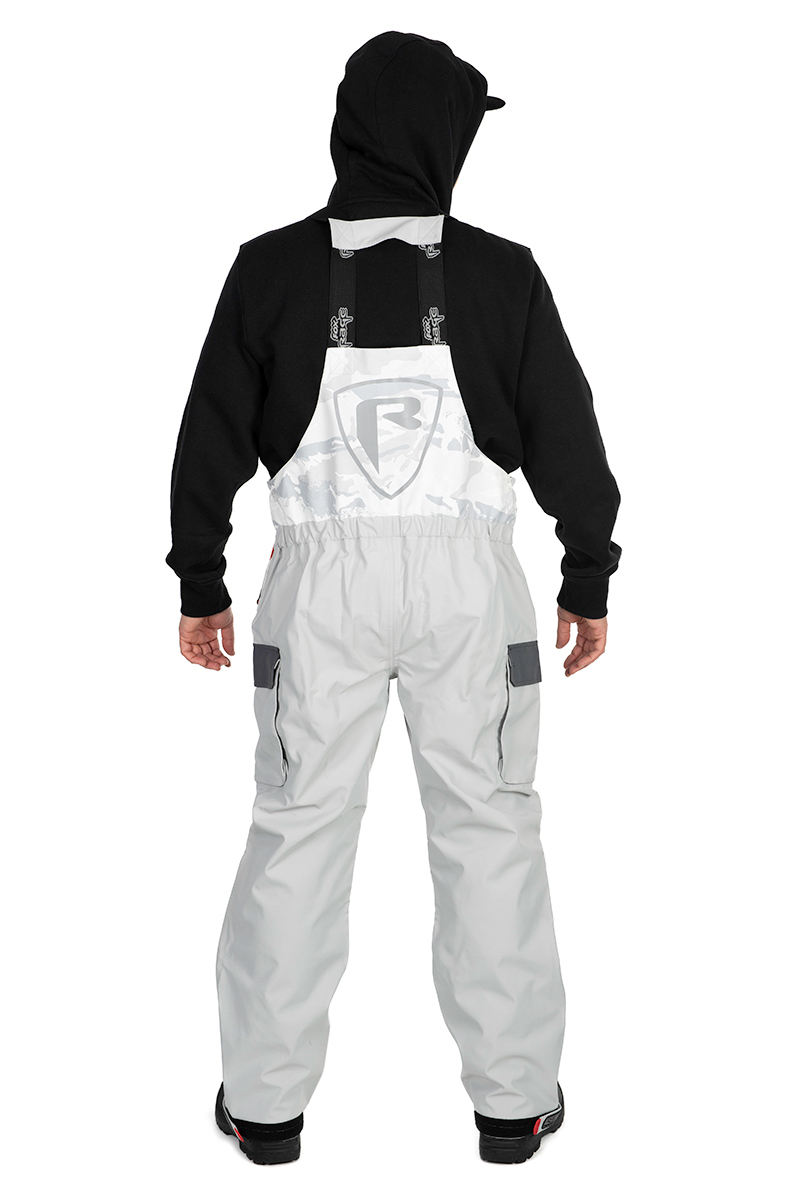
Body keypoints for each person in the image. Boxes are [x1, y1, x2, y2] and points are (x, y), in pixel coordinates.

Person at [166, 30, 621, 1167]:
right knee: (488, 827)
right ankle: (512, 1107)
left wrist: (202, 578)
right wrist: (586, 571)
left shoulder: (268, 269)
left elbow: (208, 433)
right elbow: (566, 434)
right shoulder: (502, 273)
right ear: (441, 134)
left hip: (316, 585)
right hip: (470, 587)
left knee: (297, 826)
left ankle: (264, 1109)